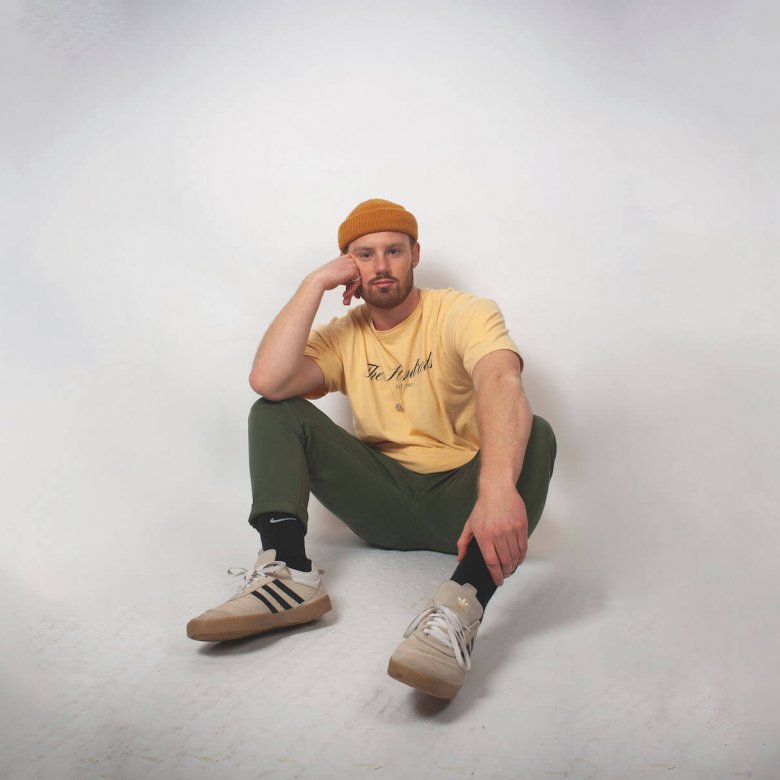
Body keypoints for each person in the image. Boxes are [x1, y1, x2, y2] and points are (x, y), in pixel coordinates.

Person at [186, 199, 556, 700]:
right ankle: (290, 572)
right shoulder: (343, 336)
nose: (381, 266)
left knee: (537, 431)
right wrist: (314, 283)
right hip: (381, 504)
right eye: (364, 255)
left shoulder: (463, 312)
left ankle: (458, 607)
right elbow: (268, 380)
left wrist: (493, 490)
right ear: (348, 268)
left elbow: (501, 378)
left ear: (415, 255)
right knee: (274, 410)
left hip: (465, 509)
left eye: (394, 251)